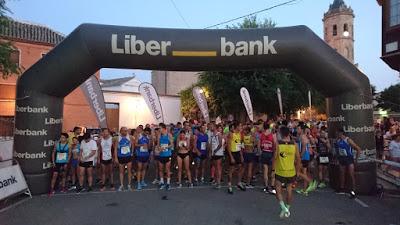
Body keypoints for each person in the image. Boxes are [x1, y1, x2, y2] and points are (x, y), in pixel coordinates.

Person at [272, 126, 301, 219]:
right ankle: (287, 208)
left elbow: (274, 158)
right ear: (289, 133)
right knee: (289, 190)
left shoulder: (278, 144)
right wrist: (298, 171)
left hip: (280, 171)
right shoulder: (294, 145)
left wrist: (272, 170)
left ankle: (284, 208)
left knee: (278, 190)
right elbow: (298, 159)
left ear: (280, 134)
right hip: (291, 172)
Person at [335, 128, 361, 198]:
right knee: (342, 173)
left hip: (349, 159)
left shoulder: (348, 140)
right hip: (342, 158)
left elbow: (358, 149)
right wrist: (338, 158)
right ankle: (342, 188)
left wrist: (356, 160)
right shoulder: (338, 141)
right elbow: (338, 151)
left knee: (351, 174)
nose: (336, 135)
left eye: (337, 133)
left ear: (341, 133)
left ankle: (353, 190)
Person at [227, 122, 246, 194]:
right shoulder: (231, 134)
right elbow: (228, 146)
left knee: (241, 167)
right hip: (232, 152)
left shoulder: (240, 134)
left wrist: (241, 155)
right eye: (240, 126)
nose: (241, 127)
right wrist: (231, 157)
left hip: (238, 152)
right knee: (231, 169)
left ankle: (239, 182)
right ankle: (229, 186)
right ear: (236, 127)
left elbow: (239, 145)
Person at [258, 123, 277, 194]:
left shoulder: (262, 135)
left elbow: (259, 145)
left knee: (265, 170)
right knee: (273, 170)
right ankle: (272, 186)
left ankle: (266, 186)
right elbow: (275, 145)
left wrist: (261, 150)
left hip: (264, 152)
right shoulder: (273, 135)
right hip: (271, 153)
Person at [113, 127, 134, 192]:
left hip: (128, 156)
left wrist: (132, 152)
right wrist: (116, 158)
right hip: (120, 156)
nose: (125, 132)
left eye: (126, 131)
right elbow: (115, 149)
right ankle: (121, 185)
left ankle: (129, 185)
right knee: (121, 172)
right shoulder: (118, 138)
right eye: (123, 131)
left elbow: (133, 145)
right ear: (120, 131)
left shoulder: (130, 137)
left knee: (129, 171)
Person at [158, 123, 174, 190]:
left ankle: (168, 183)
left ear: (164, 128)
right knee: (161, 169)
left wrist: (165, 147)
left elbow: (172, 144)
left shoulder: (169, 135)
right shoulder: (159, 136)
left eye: (160, 128)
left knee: (167, 169)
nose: (159, 129)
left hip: (168, 154)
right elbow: (158, 145)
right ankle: (162, 182)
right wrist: (159, 148)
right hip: (161, 154)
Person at [210, 124, 224, 189]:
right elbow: (211, 144)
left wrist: (215, 150)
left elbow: (220, 144)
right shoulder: (212, 135)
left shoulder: (219, 134)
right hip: (214, 154)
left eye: (211, 126)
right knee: (215, 167)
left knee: (218, 168)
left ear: (215, 127)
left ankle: (219, 183)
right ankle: (216, 180)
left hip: (218, 154)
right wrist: (211, 152)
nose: (210, 127)